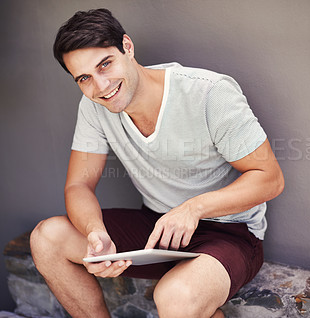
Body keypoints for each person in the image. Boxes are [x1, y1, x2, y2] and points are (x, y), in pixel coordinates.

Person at [30, 8, 284, 318]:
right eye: (85, 78)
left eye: (105, 64)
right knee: (47, 238)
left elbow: (270, 178)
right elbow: (78, 184)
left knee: (175, 298)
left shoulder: (209, 93)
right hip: (156, 229)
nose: (101, 86)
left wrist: (193, 208)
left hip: (230, 233)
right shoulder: (93, 106)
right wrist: (96, 233)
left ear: (127, 46)